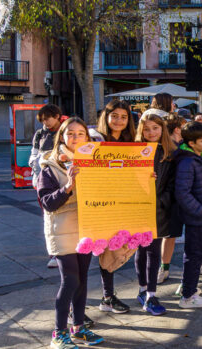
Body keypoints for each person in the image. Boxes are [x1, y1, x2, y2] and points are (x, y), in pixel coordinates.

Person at [38, 118, 105, 348]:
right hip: (62, 231)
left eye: (80, 134)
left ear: (87, 138)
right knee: (70, 280)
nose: (75, 138)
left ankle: (79, 328)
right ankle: (59, 333)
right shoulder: (50, 165)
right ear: (62, 137)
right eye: (70, 134)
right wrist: (68, 186)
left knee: (83, 280)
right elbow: (47, 202)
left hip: (86, 230)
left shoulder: (95, 161)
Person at [90, 100, 137, 315]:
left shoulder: (132, 142)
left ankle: (108, 296)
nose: (119, 120)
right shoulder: (95, 139)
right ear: (106, 116)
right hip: (98, 203)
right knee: (100, 249)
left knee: (115, 248)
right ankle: (101, 298)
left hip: (124, 203)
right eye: (114, 115)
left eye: (124, 117)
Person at [134, 113, 175, 316]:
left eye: (155, 128)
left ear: (162, 129)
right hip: (138, 208)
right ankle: (142, 289)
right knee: (141, 251)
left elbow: (173, 184)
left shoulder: (170, 152)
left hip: (159, 210)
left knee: (153, 251)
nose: (151, 133)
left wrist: (160, 201)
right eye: (147, 129)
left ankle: (151, 293)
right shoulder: (134, 152)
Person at [171, 121, 202, 308]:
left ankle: (189, 288)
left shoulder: (195, 157)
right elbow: (182, 192)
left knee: (195, 254)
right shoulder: (188, 161)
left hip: (198, 216)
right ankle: (188, 296)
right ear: (191, 143)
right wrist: (201, 210)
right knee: (194, 254)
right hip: (195, 217)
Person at [30, 104, 64, 270]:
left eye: (48, 118)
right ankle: (54, 253)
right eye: (43, 120)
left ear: (57, 116)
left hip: (63, 178)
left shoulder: (66, 130)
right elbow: (34, 154)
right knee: (48, 216)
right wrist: (37, 166)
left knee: (63, 218)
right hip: (43, 178)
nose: (46, 123)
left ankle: (64, 252)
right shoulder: (40, 134)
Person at [158, 113, 188, 284]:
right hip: (171, 197)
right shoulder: (170, 147)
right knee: (168, 235)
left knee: (170, 235)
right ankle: (163, 268)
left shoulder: (182, 145)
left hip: (175, 196)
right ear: (178, 129)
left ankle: (164, 268)